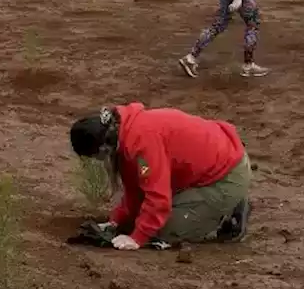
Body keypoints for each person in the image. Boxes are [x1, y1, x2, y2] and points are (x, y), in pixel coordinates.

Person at [69, 104, 252, 251]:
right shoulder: (125, 131)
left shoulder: (142, 145)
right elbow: (137, 189)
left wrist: (137, 238)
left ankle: (229, 208)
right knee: (143, 220)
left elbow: (158, 199)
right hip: (210, 164)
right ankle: (219, 201)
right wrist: (115, 221)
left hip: (227, 173)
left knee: (163, 231)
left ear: (103, 148)